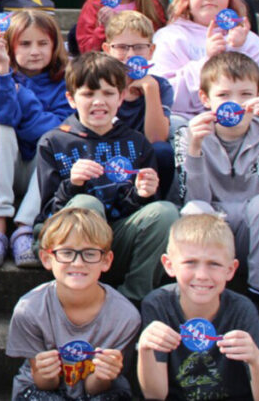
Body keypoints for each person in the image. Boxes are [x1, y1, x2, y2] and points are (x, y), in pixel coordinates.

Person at [35, 52, 178, 304]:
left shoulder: (136, 142)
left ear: (121, 97)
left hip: (118, 238)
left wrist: (142, 195)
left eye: (108, 93)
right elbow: (48, 212)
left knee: (165, 211)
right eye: (89, 94)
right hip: (69, 244)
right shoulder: (54, 141)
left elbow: (140, 215)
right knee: (86, 205)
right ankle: (79, 294)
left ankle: (134, 300)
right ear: (71, 99)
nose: (98, 102)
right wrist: (72, 184)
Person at [175, 51, 259, 318]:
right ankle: (198, 294)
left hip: (253, 227)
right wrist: (195, 149)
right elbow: (195, 195)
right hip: (213, 222)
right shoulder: (187, 134)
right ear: (205, 99)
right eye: (224, 95)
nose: (236, 103)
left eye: (245, 95)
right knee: (194, 210)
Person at [137, 214, 259, 401]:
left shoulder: (242, 309)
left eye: (214, 264)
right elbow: (155, 395)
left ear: (230, 270)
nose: (202, 275)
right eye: (190, 263)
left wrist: (256, 360)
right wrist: (146, 350)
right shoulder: (158, 305)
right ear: (169, 265)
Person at [6, 207, 140, 400]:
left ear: (106, 260)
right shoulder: (29, 309)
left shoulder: (125, 316)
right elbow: (44, 383)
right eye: (67, 252)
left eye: (90, 253)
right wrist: (46, 373)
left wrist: (104, 375)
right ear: (46, 258)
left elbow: (96, 388)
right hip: (42, 390)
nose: (78, 263)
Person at [0, 10, 71, 268]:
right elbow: (3, 116)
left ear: (55, 45)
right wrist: (2, 70)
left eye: (43, 43)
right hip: (6, 167)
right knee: (0, 131)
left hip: (40, 171)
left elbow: (60, 130)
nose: (35, 51)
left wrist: (22, 97)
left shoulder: (66, 81)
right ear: (10, 46)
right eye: (25, 43)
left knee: (54, 141)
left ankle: (25, 228)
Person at [151, 0, 259, 119]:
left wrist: (237, 51)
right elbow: (164, 94)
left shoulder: (248, 40)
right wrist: (207, 60)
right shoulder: (169, 37)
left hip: (242, 123)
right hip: (185, 124)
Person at [101, 11, 175, 197]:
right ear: (107, 49)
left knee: (163, 151)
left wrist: (151, 90)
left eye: (139, 47)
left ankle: (155, 200)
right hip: (106, 152)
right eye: (122, 47)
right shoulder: (100, 83)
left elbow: (157, 138)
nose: (130, 55)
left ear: (151, 51)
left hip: (143, 157)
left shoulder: (161, 86)